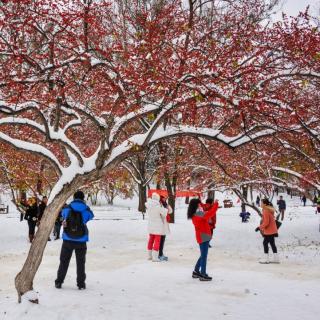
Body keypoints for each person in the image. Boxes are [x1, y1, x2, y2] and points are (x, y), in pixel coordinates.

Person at [55, 190, 94, 290]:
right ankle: (81, 284)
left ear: (74, 197)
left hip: (67, 239)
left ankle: (59, 282)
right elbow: (91, 216)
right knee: (80, 262)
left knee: (64, 261)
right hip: (81, 240)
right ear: (83, 198)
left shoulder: (67, 208)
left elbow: (62, 216)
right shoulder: (86, 209)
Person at [188, 198, 219, 281]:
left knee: (203, 255)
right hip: (203, 236)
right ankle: (203, 274)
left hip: (203, 235)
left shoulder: (197, 213)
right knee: (204, 256)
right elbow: (211, 213)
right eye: (199, 203)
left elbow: (207, 212)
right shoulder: (198, 213)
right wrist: (215, 204)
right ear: (196, 205)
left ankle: (196, 271)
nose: (200, 204)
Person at [146, 193, 169, 262]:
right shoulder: (158, 206)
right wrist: (165, 206)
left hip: (151, 226)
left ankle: (149, 256)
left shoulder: (148, 205)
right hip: (158, 227)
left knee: (151, 240)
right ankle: (155, 257)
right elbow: (165, 212)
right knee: (157, 241)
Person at [255, 198, 279, 264]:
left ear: (264, 204)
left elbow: (266, 222)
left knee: (265, 243)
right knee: (272, 243)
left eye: (261, 203)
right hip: (273, 229)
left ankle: (266, 259)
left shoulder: (265, 210)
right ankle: (276, 258)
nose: (260, 204)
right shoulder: (269, 209)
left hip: (269, 230)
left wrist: (259, 227)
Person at [158, 196, 172, 261]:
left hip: (164, 224)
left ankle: (161, 253)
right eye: (163, 198)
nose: (165, 199)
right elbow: (163, 214)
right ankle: (159, 254)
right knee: (160, 240)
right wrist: (166, 209)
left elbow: (170, 211)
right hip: (161, 224)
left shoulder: (165, 204)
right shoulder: (159, 205)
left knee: (163, 239)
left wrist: (167, 206)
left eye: (165, 198)